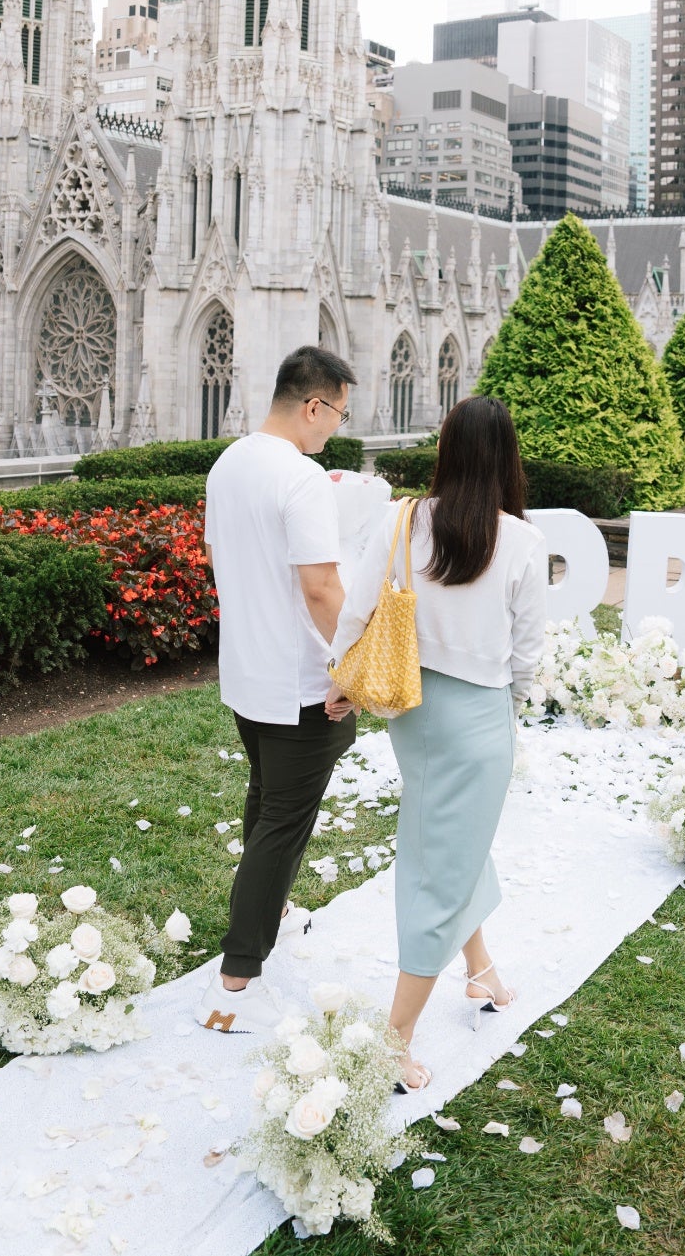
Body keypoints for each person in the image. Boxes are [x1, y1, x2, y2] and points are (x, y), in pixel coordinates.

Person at [326, 396, 547, 1090]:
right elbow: (527, 654)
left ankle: (479, 971)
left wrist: (343, 677)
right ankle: (395, 1042)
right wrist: (509, 706)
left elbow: (359, 606)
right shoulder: (521, 540)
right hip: (479, 717)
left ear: (447, 448)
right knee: (440, 866)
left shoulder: (402, 518)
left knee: (448, 845)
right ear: (508, 456)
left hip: (411, 709)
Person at [194, 345, 359, 1034]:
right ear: (313, 404)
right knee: (283, 821)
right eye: (337, 415)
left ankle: (273, 912)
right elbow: (321, 586)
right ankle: (240, 964)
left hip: (246, 670)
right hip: (301, 681)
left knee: (266, 801)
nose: (334, 430)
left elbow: (216, 555)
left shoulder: (227, 462)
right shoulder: (301, 476)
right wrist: (352, 665)